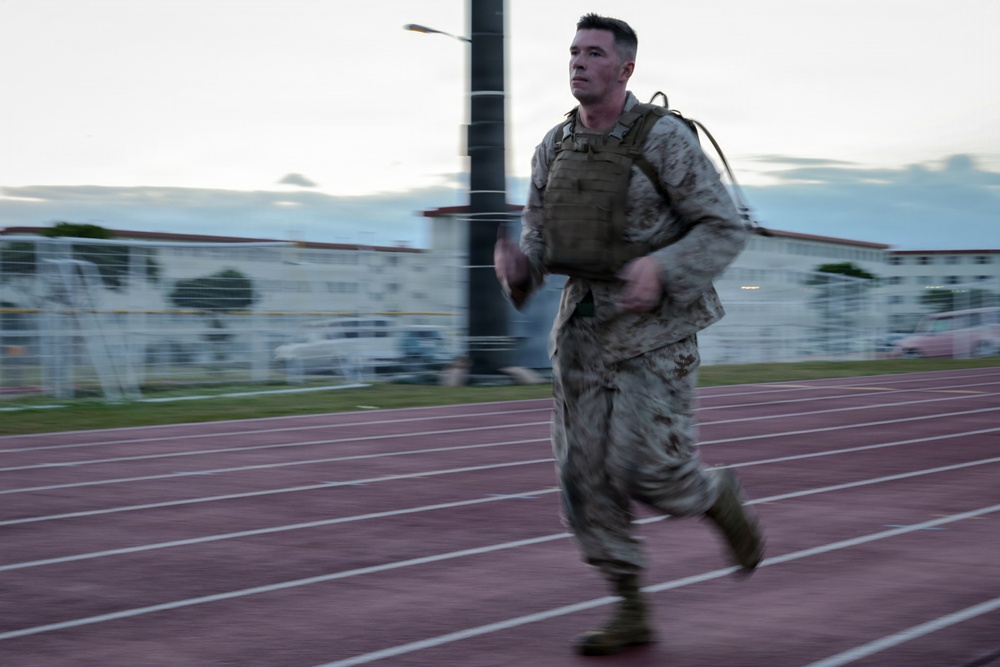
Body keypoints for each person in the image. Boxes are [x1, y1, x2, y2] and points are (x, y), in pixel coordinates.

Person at [493, 13, 765, 657]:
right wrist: (522, 269)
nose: (578, 62)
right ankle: (630, 606)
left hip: (655, 332)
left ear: (625, 69)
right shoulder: (553, 146)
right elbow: (538, 233)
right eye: (573, 52)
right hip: (583, 335)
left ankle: (717, 496)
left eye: (593, 53)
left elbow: (723, 227)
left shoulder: (664, 138)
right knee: (582, 479)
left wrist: (661, 267)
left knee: (650, 470)